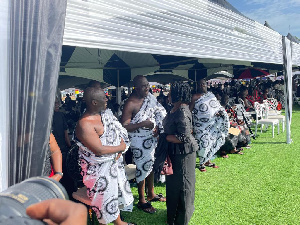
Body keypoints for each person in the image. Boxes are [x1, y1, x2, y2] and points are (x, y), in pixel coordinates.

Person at [75, 87, 134, 225]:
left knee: (114, 194)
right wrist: (121, 147)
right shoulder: (85, 123)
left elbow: (117, 133)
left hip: (112, 164)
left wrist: (118, 148)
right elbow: (99, 150)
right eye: (104, 97)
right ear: (94, 102)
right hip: (97, 172)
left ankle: (118, 222)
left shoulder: (105, 115)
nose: (107, 99)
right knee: (104, 201)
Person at [121, 75, 167, 214]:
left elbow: (159, 113)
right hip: (138, 141)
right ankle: (142, 200)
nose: (147, 88)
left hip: (151, 138)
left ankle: (151, 193)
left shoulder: (150, 98)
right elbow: (124, 125)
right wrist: (143, 124)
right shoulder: (131, 103)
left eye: (147, 85)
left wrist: (158, 127)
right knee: (142, 168)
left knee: (151, 165)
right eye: (143, 86)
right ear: (135, 87)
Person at [162, 82, 198, 225]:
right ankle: (173, 215)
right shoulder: (174, 109)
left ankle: (181, 219)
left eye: (171, 93)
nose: (168, 95)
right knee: (174, 185)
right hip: (174, 152)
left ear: (178, 94)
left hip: (184, 154)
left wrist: (164, 137)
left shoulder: (182, 111)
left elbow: (184, 137)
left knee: (183, 186)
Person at [189, 79, 229, 172]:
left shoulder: (211, 95)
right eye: (199, 84)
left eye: (203, 84)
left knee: (211, 142)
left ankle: (207, 160)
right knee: (203, 143)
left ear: (206, 85)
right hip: (200, 125)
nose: (202, 86)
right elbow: (190, 111)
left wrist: (219, 113)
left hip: (212, 124)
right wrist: (190, 125)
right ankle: (202, 163)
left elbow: (216, 107)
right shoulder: (194, 97)